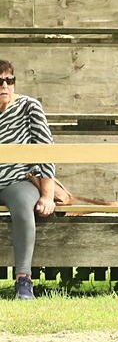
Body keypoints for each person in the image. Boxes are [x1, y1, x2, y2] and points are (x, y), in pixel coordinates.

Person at [0, 59, 56, 300]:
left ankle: (24, 280)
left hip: (18, 180)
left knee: (23, 205)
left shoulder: (29, 106)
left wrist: (47, 196)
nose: (5, 86)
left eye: (9, 80)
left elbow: (46, 150)